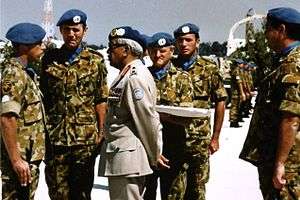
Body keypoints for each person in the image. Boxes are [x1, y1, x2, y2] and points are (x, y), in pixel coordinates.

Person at [40, 9, 109, 199]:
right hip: (56, 139)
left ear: (85, 30)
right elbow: (44, 97)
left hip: (84, 141)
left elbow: (101, 98)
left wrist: (101, 132)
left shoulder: (95, 61)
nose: (71, 34)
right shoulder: (49, 59)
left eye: (76, 30)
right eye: (67, 29)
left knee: (82, 193)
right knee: (57, 193)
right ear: (61, 31)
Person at [98, 26, 169, 200]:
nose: (108, 51)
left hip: (128, 160)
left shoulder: (134, 77)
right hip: (122, 157)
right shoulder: (127, 74)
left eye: (113, 46)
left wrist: (154, 154)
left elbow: (147, 119)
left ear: (126, 50)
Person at [240, 7, 300, 199]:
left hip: (289, 160)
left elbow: (291, 118)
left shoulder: (293, 65)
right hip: (276, 154)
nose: (265, 35)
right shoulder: (283, 61)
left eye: (268, 29)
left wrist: (280, 163)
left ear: (281, 30)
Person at [171, 23, 227, 199]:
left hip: (199, 140)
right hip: (174, 138)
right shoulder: (170, 67)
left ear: (197, 42)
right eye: (180, 40)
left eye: (188, 40)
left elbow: (220, 101)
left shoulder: (209, 68)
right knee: (174, 190)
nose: (184, 44)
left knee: (197, 189)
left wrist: (215, 137)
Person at [144, 32, 193, 200]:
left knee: (173, 194)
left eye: (162, 51)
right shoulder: (142, 76)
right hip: (147, 147)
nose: (157, 55)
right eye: (153, 51)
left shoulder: (182, 78)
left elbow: (186, 117)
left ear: (172, 51)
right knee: (145, 194)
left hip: (173, 146)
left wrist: (156, 115)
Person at [0, 23, 46, 200]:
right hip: (21, 158)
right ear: (25, 46)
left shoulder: (25, 73)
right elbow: (7, 118)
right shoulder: (15, 74)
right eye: (39, 44)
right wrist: (16, 160)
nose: (42, 48)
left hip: (27, 156)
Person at [229, 59, 246, 128]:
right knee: (234, 106)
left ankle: (235, 120)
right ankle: (233, 121)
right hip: (235, 92)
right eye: (242, 63)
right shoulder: (236, 71)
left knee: (236, 106)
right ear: (238, 64)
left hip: (237, 92)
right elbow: (239, 82)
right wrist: (242, 93)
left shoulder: (238, 70)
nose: (243, 65)